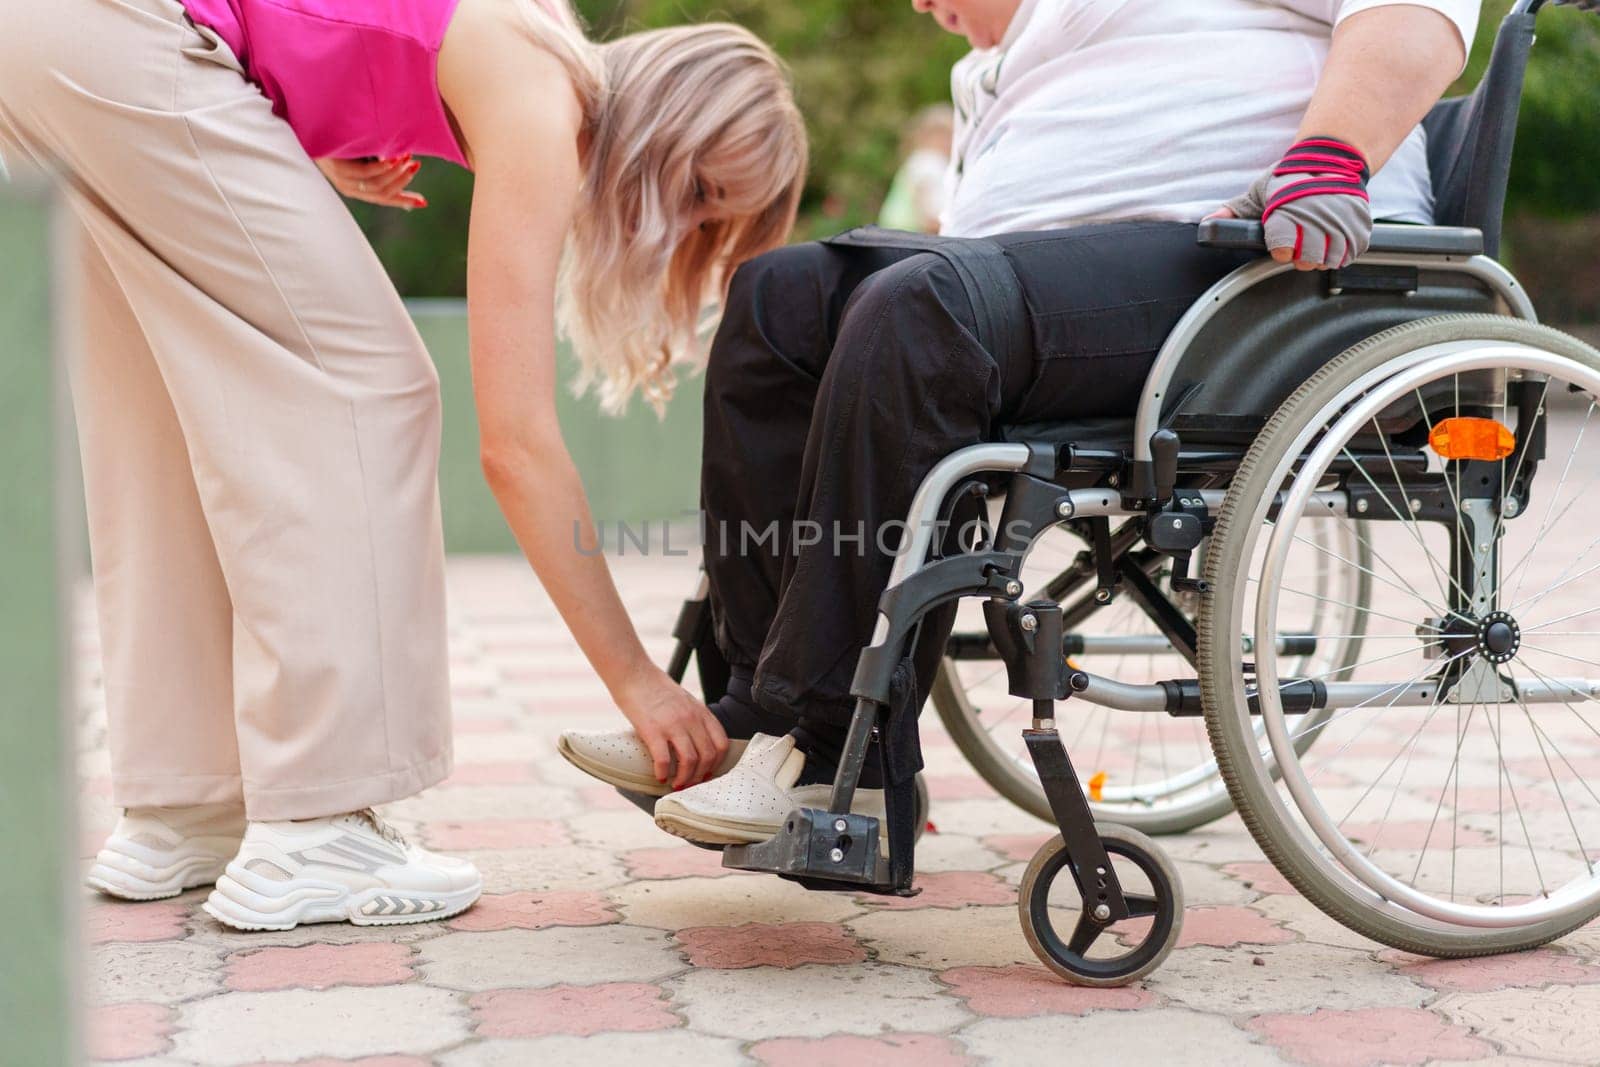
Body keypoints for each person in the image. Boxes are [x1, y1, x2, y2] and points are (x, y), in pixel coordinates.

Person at [557, 0, 1478, 847]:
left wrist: (1333, 150)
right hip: (1038, 282)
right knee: (775, 299)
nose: (920, 5)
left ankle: (840, 755)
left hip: (1248, 267)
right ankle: (757, 717)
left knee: (926, 310)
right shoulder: (1010, 59)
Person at [0, 0, 804, 928]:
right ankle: (317, 824)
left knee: (165, 415)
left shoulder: (521, 44)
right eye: (702, 194)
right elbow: (515, 444)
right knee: (368, 386)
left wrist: (309, 124)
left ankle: (185, 803)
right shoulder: (544, 99)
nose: (687, 232)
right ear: (671, 125)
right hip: (131, 36)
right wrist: (637, 681)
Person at [878, 105, 955, 234]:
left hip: (892, 233)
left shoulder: (915, 161)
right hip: (908, 236)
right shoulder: (928, 162)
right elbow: (929, 215)